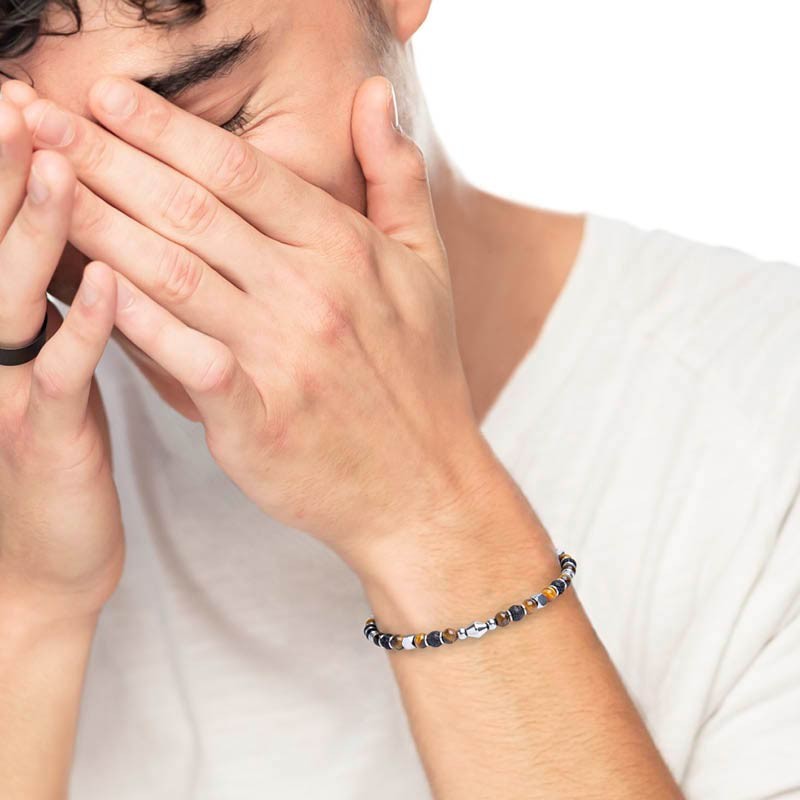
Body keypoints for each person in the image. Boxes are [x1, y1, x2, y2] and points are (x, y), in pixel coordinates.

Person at [0, 1, 798, 798]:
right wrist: (28, 609)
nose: (128, 246)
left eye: (208, 119)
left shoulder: (764, 418)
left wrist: (429, 512)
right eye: (33, 172)